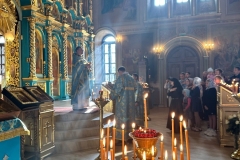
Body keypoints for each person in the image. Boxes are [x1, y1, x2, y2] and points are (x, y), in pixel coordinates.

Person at [110, 66, 136, 143]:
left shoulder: (121, 78)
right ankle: (130, 136)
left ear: (120, 72)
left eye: (118, 73)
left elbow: (117, 89)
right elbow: (135, 88)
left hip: (122, 102)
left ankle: (121, 138)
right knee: (130, 118)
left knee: (121, 118)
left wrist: (112, 96)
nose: (118, 74)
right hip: (130, 102)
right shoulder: (131, 78)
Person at [71, 46, 91, 111]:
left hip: (84, 77)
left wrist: (88, 67)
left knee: (84, 91)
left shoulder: (83, 58)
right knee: (79, 91)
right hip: (78, 78)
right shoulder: (75, 58)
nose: (82, 51)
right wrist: (85, 65)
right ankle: (77, 106)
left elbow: (85, 67)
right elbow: (77, 66)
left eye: (82, 50)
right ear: (77, 50)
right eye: (81, 50)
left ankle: (83, 105)